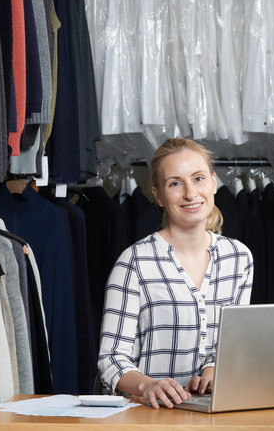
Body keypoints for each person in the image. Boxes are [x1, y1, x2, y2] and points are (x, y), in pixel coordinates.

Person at [97, 138, 254, 409]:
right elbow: (110, 359)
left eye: (198, 178)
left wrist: (213, 370)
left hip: (211, 413)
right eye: (175, 183)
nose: (190, 194)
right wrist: (148, 385)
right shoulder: (134, 262)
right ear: (158, 195)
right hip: (147, 416)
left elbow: (231, 347)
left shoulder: (239, 258)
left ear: (213, 182)